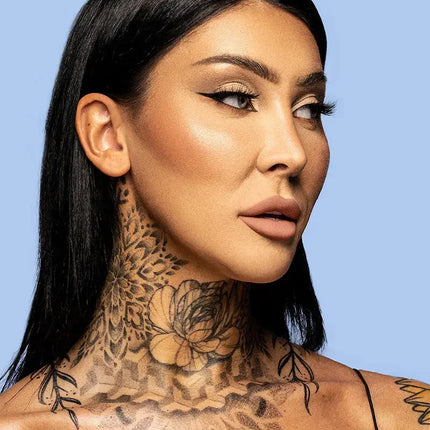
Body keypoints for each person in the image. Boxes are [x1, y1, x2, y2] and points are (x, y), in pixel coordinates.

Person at [0, 0, 428, 428]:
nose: (293, 153)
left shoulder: (401, 417)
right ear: (107, 135)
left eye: (309, 108)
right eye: (235, 98)